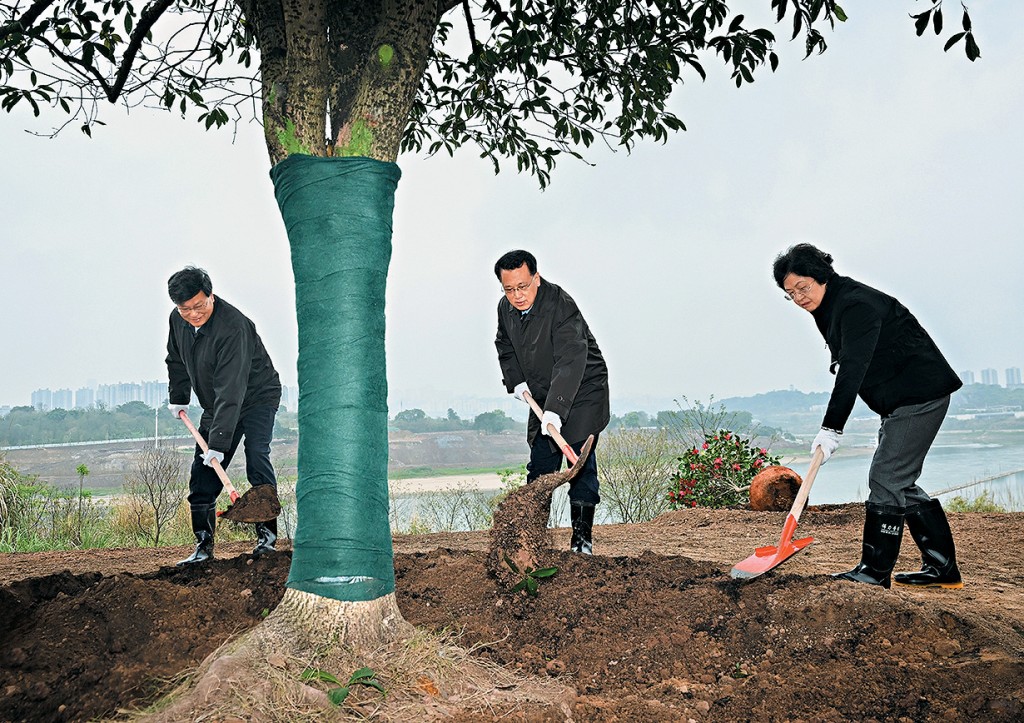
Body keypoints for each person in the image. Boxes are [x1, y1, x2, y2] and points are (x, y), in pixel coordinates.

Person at [772, 244, 963, 589]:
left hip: (919, 394)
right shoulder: (829, 303)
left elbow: (852, 369)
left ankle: (874, 572)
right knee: (898, 479)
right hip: (898, 398)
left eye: (804, 287)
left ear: (822, 276)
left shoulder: (856, 304)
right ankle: (942, 567)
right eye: (790, 293)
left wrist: (831, 429)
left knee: (886, 476)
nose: (799, 297)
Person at [493, 250, 610, 554]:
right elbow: (504, 345)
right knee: (540, 464)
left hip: (583, 387)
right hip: (544, 390)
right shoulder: (505, 309)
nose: (517, 295)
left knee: (578, 460)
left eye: (523, 286)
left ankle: (582, 542)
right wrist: (516, 381)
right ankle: (532, 541)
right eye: (509, 289)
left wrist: (555, 410)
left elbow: (571, 359)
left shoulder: (560, 305)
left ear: (536, 277)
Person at [165, 266, 282, 565]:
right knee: (202, 474)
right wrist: (178, 397)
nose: (193, 314)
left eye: (199, 305)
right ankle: (203, 548)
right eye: (185, 308)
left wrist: (218, 441)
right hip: (217, 404)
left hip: (256, 397)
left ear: (211, 295)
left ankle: (266, 541)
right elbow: (176, 359)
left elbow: (231, 388)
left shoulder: (234, 327)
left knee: (256, 455)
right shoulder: (177, 321)